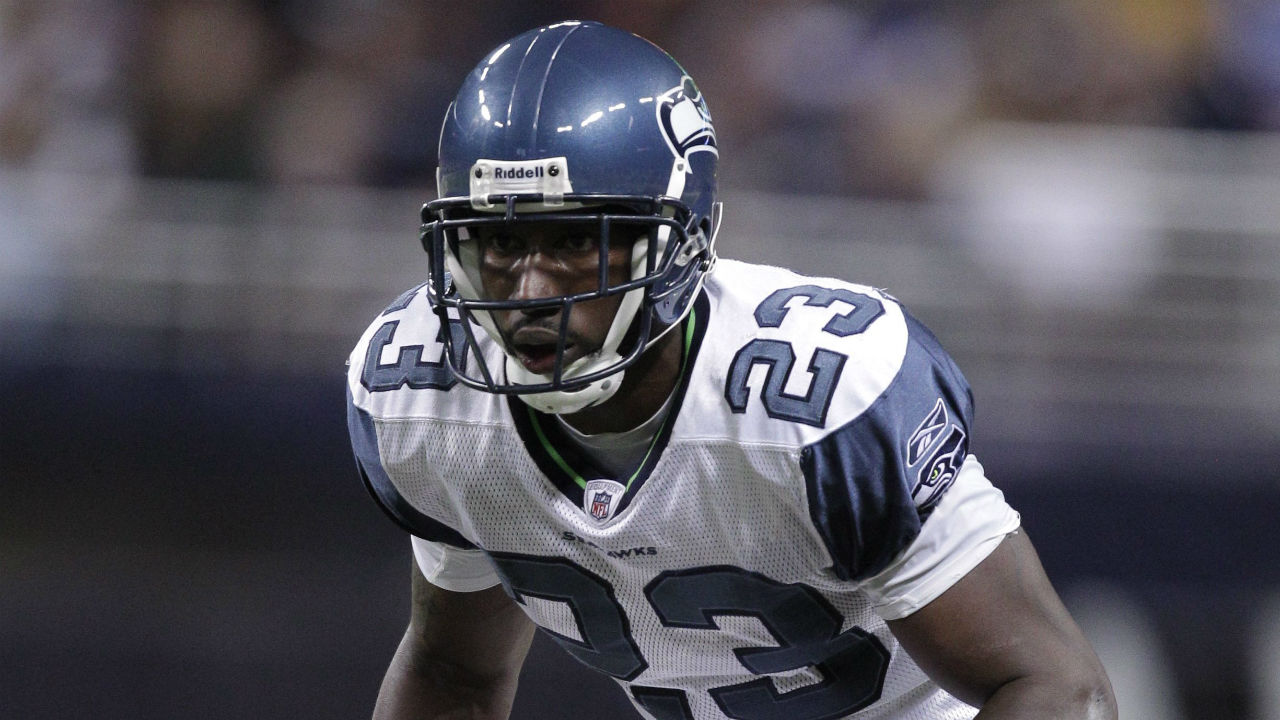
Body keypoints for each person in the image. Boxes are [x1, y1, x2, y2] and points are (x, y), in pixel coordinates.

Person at [345, 20, 1117, 720]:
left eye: (577, 242)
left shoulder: (819, 401)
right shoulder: (424, 400)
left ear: (686, 237)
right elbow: (454, 676)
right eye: (500, 245)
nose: (530, 294)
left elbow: (1056, 687)